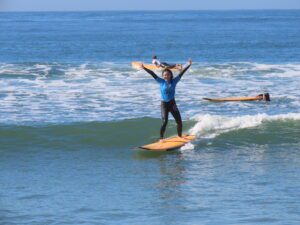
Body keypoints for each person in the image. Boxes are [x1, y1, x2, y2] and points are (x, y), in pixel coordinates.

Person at [141, 59, 192, 141]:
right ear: (163, 76)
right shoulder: (161, 81)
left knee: (179, 122)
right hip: (164, 104)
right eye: (164, 75)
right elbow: (152, 73)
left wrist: (188, 65)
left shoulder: (174, 81)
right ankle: (161, 138)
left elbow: (182, 73)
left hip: (172, 104)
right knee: (165, 121)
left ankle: (180, 136)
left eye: (167, 74)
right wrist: (144, 68)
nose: (166, 76)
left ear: (170, 75)